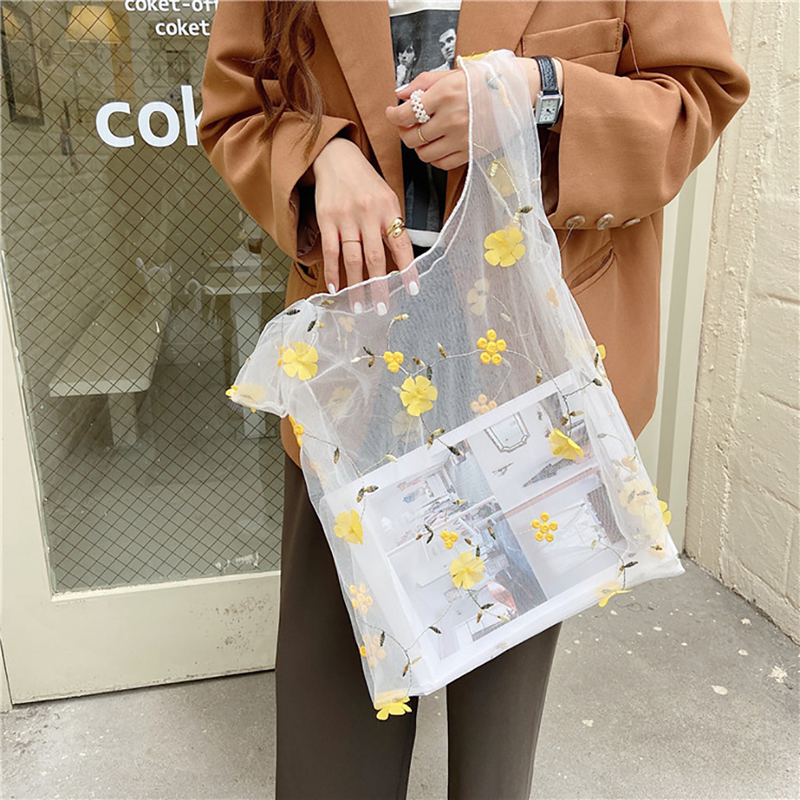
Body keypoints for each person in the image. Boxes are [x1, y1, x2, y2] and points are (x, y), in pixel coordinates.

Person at [200, 3, 748, 798]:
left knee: (497, 727)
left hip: (528, 376)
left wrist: (538, 92)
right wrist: (321, 158)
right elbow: (239, 105)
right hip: (358, 362)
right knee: (335, 714)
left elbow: (695, 98)